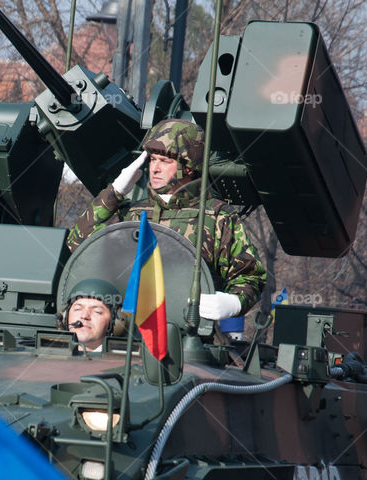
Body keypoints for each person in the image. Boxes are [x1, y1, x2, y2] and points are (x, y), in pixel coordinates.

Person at [67, 119, 266, 321]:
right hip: (127, 332)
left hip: (187, 333)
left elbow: (250, 275)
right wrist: (114, 193)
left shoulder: (218, 217)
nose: (154, 168)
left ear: (188, 168)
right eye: (153, 160)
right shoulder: (133, 213)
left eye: (165, 161)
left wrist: (234, 302)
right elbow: (78, 243)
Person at [57, 279, 125, 353]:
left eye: (97, 312)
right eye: (78, 309)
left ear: (115, 322)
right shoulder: (49, 355)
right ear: (65, 317)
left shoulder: (129, 361)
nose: (84, 316)